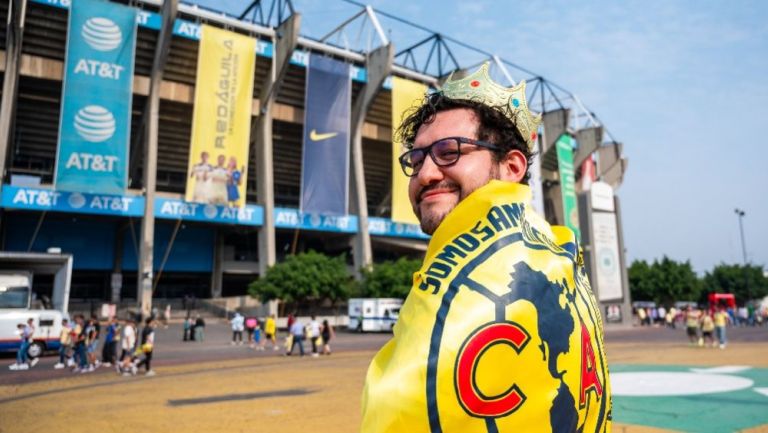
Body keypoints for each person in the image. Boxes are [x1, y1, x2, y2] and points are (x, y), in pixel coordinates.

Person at [360, 63, 611, 432]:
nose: (425, 174)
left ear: (511, 166)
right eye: (416, 160)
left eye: (450, 152)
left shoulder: (475, 289)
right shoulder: (560, 259)